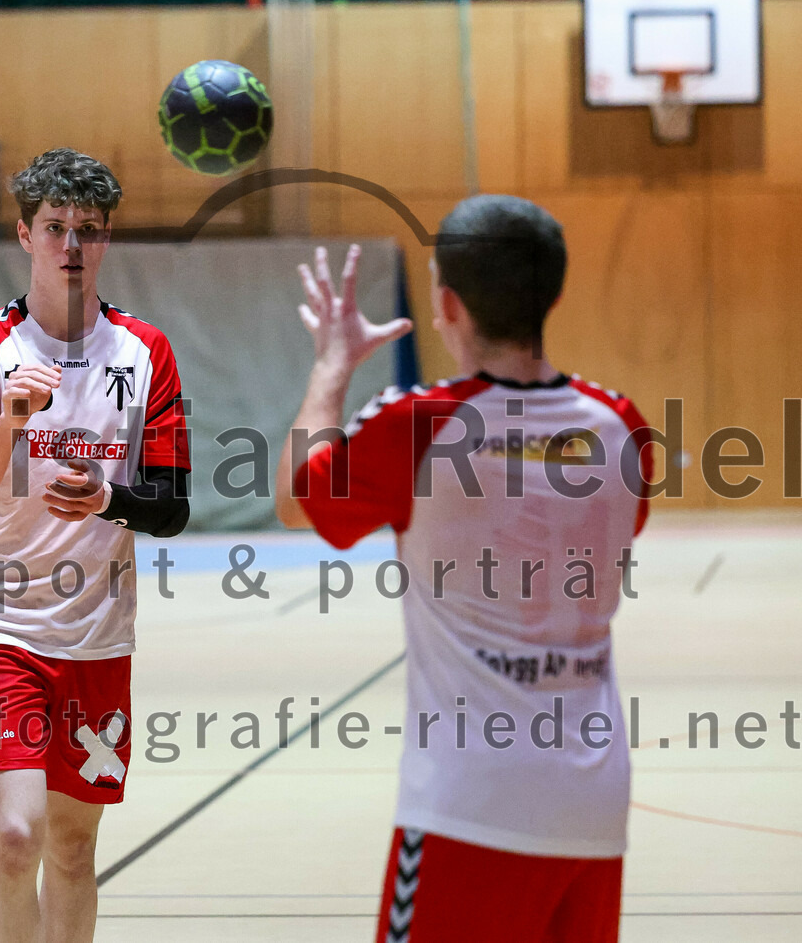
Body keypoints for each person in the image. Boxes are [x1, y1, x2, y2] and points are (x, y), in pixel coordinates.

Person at [275, 195, 651, 942]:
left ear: (446, 303)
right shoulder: (622, 426)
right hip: (595, 806)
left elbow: (295, 500)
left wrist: (333, 364)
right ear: (555, 294)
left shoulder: (420, 425)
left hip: (470, 807)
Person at [0, 147, 190, 943]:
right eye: (56, 228)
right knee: (18, 837)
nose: (72, 246)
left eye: (89, 229)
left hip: (97, 637)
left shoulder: (145, 353)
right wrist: (10, 420)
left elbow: (173, 507)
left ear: (107, 239)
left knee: (74, 851)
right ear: (25, 235)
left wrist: (110, 498)